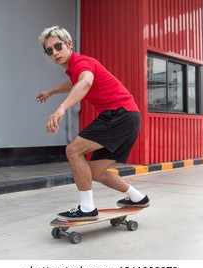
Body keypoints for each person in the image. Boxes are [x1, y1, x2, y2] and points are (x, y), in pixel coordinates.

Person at [36, 26, 149, 221]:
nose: (54, 53)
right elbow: (74, 82)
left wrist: (62, 108)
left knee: (73, 150)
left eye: (58, 46)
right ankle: (138, 197)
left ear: (69, 44)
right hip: (128, 116)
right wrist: (51, 92)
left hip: (119, 114)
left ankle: (87, 208)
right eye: (49, 50)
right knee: (96, 172)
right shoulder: (74, 70)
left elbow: (85, 82)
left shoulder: (82, 63)